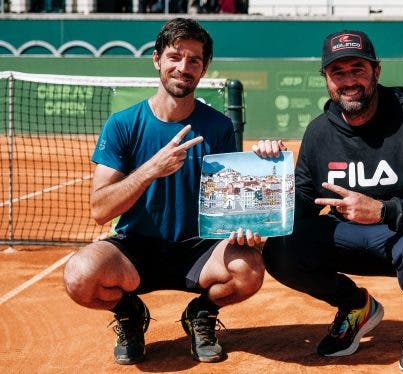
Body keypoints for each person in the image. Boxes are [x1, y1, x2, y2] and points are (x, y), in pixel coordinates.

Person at [63, 18, 273, 366]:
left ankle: (200, 314)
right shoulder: (123, 124)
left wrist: (249, 220)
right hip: (136, 249)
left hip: (200, 251)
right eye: (175, 56)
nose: (183, 67)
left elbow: (231, 204)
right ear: (157, 59)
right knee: (80, 275)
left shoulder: (219, 127)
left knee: (249, 269)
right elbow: (100, 209)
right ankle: (131, 315)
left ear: (204, 68)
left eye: (194, 60)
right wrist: (150, 169)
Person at [259, 30, 403, 372]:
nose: (349, 81)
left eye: (358, 69)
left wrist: (385, 209)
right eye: (338, 72)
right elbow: (300, 207)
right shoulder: (319, 133)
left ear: (376, 72)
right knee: (280, 251)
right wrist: (269, 171)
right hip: (349, 238)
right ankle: (356, 307)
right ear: (326, 79)